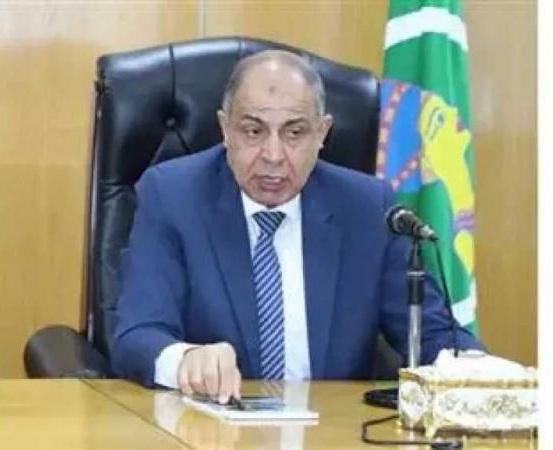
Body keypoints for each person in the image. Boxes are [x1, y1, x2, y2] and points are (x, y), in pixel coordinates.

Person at [111, 50, 484, 404]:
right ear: (225, 128)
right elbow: (137, 334)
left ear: (322, 133)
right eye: (253, 131)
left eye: (294, 133)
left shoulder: (368, 209)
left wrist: (484, 374)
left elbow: (434, 333)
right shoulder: (173, 196)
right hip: (211, 429)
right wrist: (185, 358)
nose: (273, 155)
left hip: (332, 428)